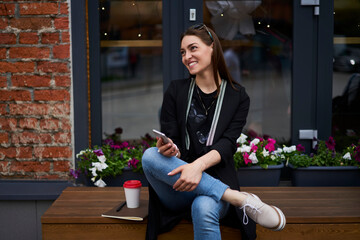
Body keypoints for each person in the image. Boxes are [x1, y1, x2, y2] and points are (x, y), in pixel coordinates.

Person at [142, 24, 286, 240]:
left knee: (204, 207)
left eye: (193, 48)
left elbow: (227, 144)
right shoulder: (176, 90)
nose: (186, 56)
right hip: (177, 190)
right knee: (150, 155)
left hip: (214, 184)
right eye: (183, 52)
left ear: (212, 47)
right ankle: (240, 199)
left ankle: (226, 195)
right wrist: (171, 150)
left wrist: (197, 167)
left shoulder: (238, 97)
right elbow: (173, 139)